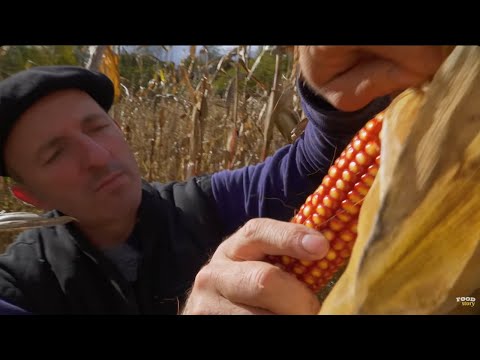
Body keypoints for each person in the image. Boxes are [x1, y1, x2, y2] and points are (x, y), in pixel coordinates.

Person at [0, 46, 447, 315]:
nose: (97, 157)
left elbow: (311, 167)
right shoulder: (19, 287)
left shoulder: (205, 203)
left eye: (97, 128)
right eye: (57, 151)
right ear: (27, 194)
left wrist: (337, 99)